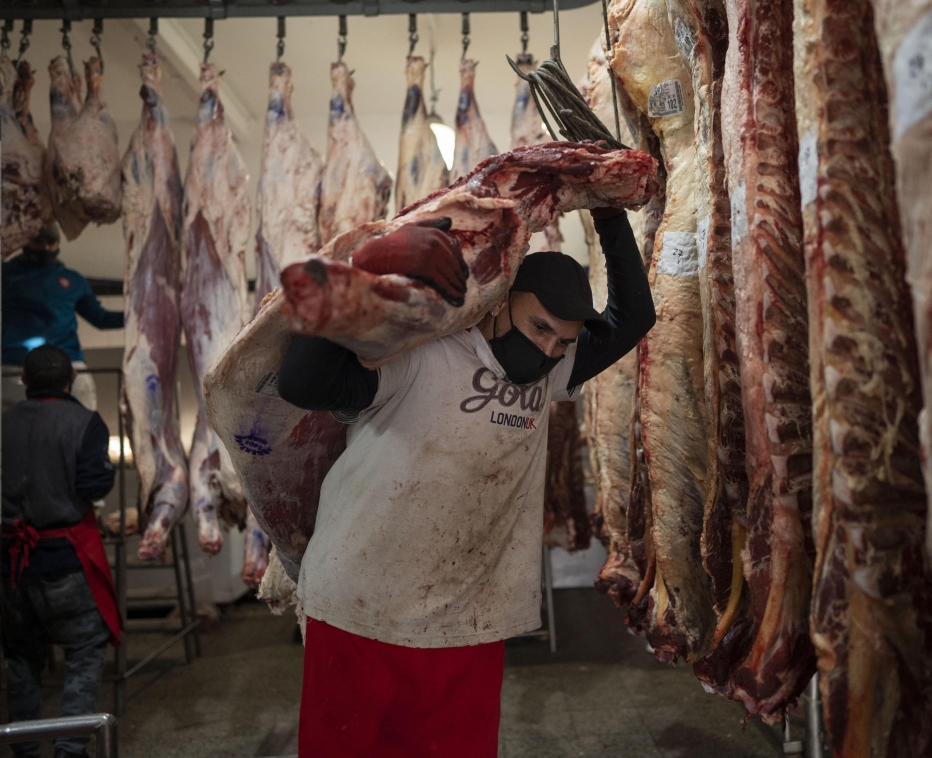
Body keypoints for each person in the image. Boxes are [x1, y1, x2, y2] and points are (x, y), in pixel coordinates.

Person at [278, 206, 654, 757]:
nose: (549, 350)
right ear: (500, 302)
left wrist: (610, 216)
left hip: (469, 618)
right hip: (361, 605)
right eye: (540, 328)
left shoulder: (552, 372)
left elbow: (634, 317)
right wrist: (366, 270)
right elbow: (302, 383)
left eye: (563, 341)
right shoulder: (423, 351)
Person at [0, 345, 121, 758]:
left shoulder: (1, 424)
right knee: (84, 651)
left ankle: (25, 749)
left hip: (12, 565)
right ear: (70, 380)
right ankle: (71, 749)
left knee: (21, 658)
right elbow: (93, 486)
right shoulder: (84, 422)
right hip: (65, 561)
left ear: (24, 382)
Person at [1, 225, 124, 411]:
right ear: (25, 241)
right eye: (38, 241)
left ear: (57, 244)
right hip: (17, 365)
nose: (45, 248)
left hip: (67, 363)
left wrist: (138, 318)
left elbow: (101, 319)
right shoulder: (2, 274)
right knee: (17, 431)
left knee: (81, 425)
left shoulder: (72, 280)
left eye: (51, 243)